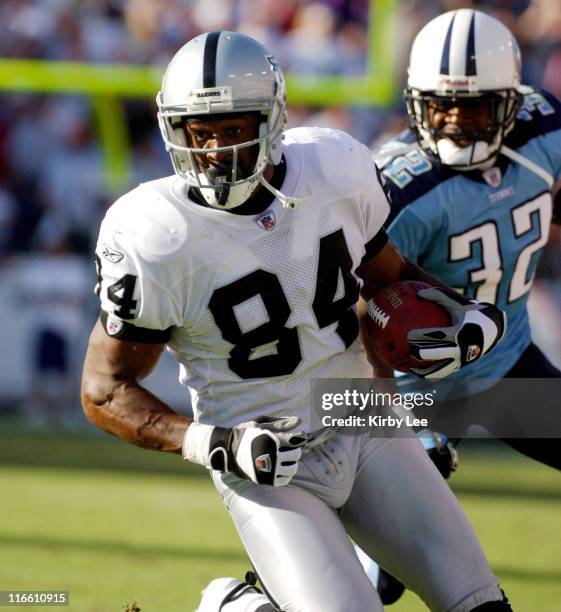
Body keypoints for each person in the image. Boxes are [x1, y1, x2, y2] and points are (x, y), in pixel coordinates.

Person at [81, 31, 510, 611]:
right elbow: (104, 391)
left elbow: (387, 274)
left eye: (235, 129)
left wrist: (464, 313)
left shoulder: (334, 167)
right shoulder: (154, 234)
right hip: (265, 454)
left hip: (363, 414)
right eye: (199, 132)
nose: (215, 151)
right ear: (172, 129)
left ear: (274, 120)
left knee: (482, 604)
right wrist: (213, 443)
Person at [364, 8, 561, 605]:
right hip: (412, 384)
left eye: (474, 106)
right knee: (381, 577)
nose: (455, 121)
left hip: (506, 366)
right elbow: (352, 312)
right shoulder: (398, 186)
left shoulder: (545, 131)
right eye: (441, 105)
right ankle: (256, 598)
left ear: (511, 100)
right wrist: (394, 417)